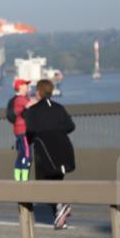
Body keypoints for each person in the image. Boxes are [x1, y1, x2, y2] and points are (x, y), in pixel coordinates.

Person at [24, 79, 76, 230]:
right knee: (57, 181)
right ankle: (61, 219)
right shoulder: (59, 108)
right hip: (64, 149)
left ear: (38, 92)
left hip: (45, 152)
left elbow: (30, 132)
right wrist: (57, 132)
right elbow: (70, 126)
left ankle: (62, 206)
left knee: (45, 185)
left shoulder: (33, 111)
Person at [6, 79, 35, 181]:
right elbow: (33, 106)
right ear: (20, 87)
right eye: (25, 85)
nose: (27, 87)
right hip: (24, 130)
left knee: (21, 154)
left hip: (18, 130)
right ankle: (24, 179)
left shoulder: (17, 99)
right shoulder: (21, 99)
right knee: (27, 155)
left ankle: (18, 179)